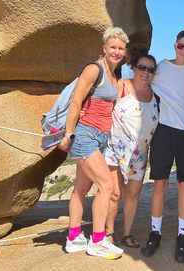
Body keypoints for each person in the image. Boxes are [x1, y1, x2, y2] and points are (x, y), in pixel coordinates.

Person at [141, 29, 184, 263]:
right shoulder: (160, 67)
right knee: (159, 184)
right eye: (180, 46)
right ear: (174, 46)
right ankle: (155, 232)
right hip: (164, 131)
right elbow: (140, 82)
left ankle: (182, 236)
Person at [60, 27, 128, 259]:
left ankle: (73, 237)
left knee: (81, 189)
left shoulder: (113, 75)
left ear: (124, 52)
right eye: (113, 47)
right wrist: (69, 135)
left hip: (101, 138)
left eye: (120, 48)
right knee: (107, 186)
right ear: (104, 48)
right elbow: (76, 102)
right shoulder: (94, 69)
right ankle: (97, 241)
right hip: (85, 135)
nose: (116, 51)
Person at [103, 44, 158, 248]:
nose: (146, 72)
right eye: (142, 67)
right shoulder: (122, 86)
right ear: (134, 67)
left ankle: (127, 234)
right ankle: (109, 232)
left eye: (151, 70)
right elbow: (102, 106)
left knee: (133, 194)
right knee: (115, 192)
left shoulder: (154, 94)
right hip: (116, 150)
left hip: (140, 154)